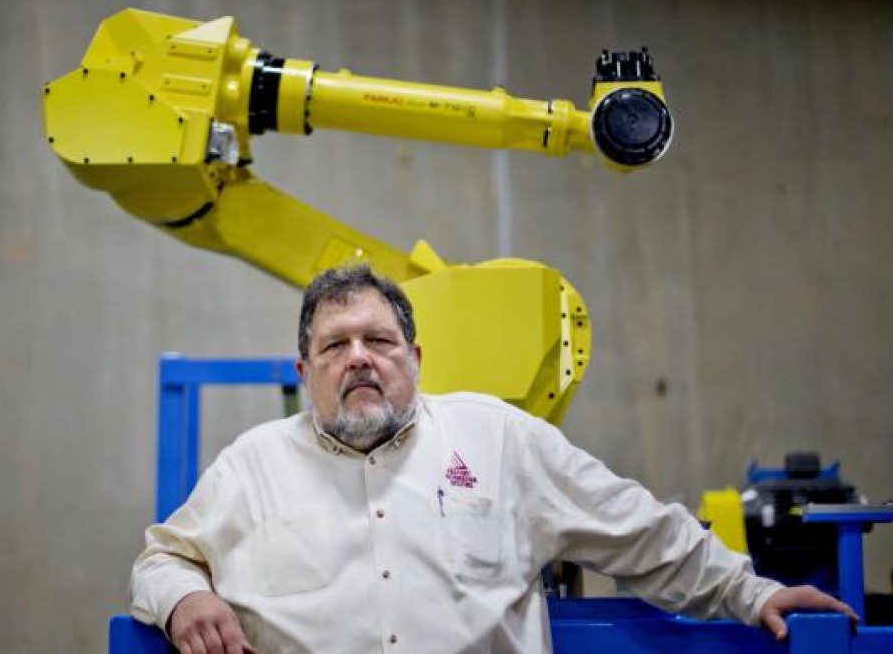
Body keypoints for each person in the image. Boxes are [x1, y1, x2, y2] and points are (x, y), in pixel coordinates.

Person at [131, 265, 855, 653]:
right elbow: (160, 559)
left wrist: (753, 593)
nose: (358, 359)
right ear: (304, 370)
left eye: (378, 341)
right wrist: (186, 598)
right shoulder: (251, 466)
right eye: (335, 345)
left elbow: (640, 532)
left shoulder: (498, 440)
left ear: (414, 357)